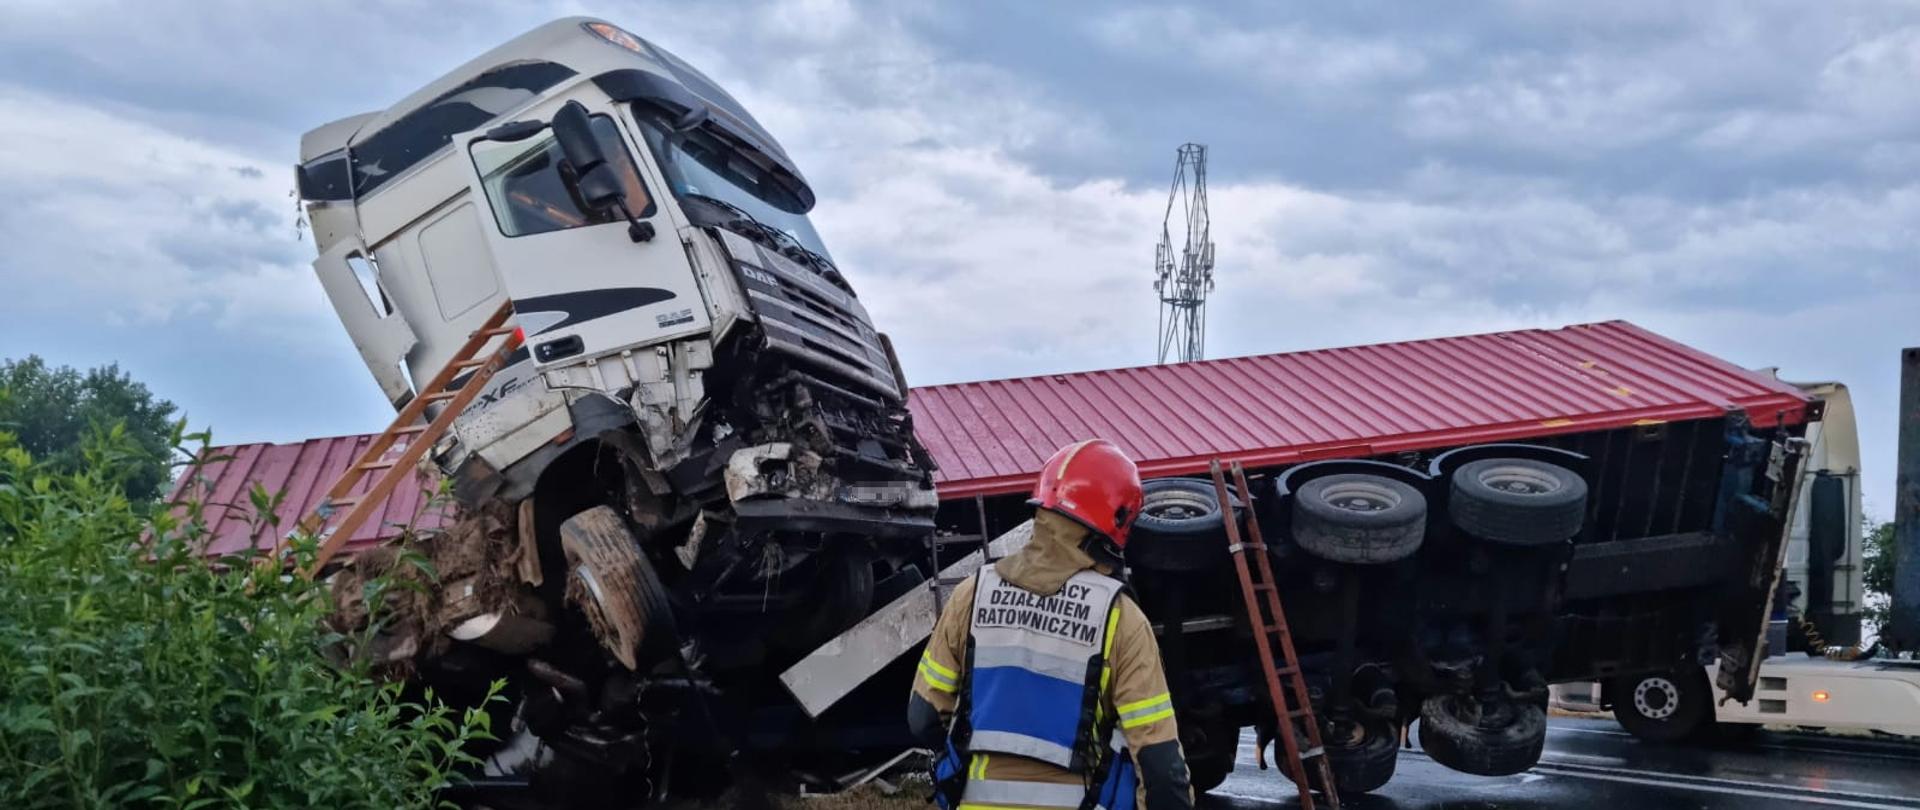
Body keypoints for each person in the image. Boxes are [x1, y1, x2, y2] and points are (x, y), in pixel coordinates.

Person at [908, 439, 1193, 810]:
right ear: (1119, 518)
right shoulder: (1120, 618)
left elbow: (923, 717)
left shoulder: (971, 594)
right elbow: (1160, 768)